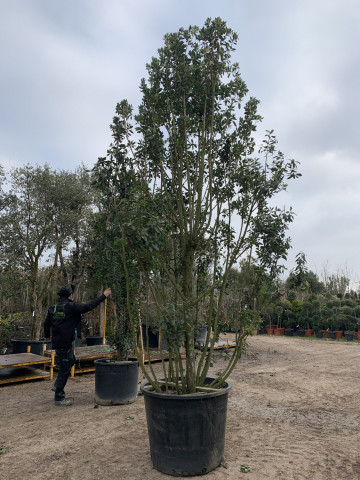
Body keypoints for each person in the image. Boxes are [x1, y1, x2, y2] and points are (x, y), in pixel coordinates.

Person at [44, 287, 111, 406]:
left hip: (58, 342)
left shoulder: (53, 308)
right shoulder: (71, 307)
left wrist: (48, 335)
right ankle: (59, 396)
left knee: (70, 361)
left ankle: (57, 385)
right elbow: (88, 306)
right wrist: (103, 296)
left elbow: (46, 324)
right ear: (69, 296)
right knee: (65, 367)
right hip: (65, 342)